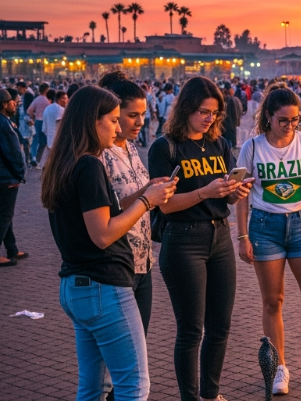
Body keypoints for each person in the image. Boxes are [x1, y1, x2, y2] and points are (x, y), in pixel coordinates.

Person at [41, 86, 177, 400]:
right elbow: (102, 234)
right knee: (133, 387)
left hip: (76, 285)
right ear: (93, 121)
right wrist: (146, 200)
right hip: (104, 286)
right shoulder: (89, 165)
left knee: (93, 386)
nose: (118, 128)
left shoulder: (64, 162)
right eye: (114, 120)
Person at [148, 77, 252, 401]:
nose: (209, 119)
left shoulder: (219, 144)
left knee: (220, 326)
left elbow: (225, 198)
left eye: (215, 113)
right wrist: (205, 192)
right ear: (186, 109)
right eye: (203, 112)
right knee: (191, 330)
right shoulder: (165, 147)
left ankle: (211, 394)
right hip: (183, 240)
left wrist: (236, 192)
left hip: (220, 235)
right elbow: (163, 204)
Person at [235, 85, 301, 394]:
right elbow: (241, 197)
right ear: (269, 117)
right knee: (272, 301)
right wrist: (242, 236)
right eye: (283, 120)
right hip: (264, 227)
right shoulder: (251, 148)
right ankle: (279, 368)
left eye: (295, 119)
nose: (290, 126)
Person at [98, 72, 164, 336]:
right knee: (119, 354)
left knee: (138, 347)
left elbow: (136, 197)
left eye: (143, 114)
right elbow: (106, 213)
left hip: (143, 262)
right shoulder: (99, 155)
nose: (140, 122)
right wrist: (147, 198)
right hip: (116, 267)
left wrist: (150, 190)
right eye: (131, 115)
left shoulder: (132, 149)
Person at [0, 90, 27, 267]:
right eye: (12, 102)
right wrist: (20, 173)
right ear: (4, 104)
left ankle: (12, 249)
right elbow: (12, 152)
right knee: (5, 215)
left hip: (2, 174)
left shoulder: (1, 121)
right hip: (6, 176)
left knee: (5, 214)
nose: (15, 103)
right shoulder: (3, 123)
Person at [26, 82, 50, 167]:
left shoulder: (37, 99)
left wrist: (34, 117)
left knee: (36, 140)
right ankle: (41, 159)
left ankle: (33, 157)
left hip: (38, 121)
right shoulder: (48, 100)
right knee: (44, 141)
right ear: (46, 90)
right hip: (45, 121)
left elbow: (29, 110)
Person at [221, 82, 243, 149]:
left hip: (225, 123)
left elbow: (234, 112)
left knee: (226, 140)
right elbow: (236, 112)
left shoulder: (227, 99)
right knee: (228, 140)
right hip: (229, 123)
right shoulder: (232, 99)